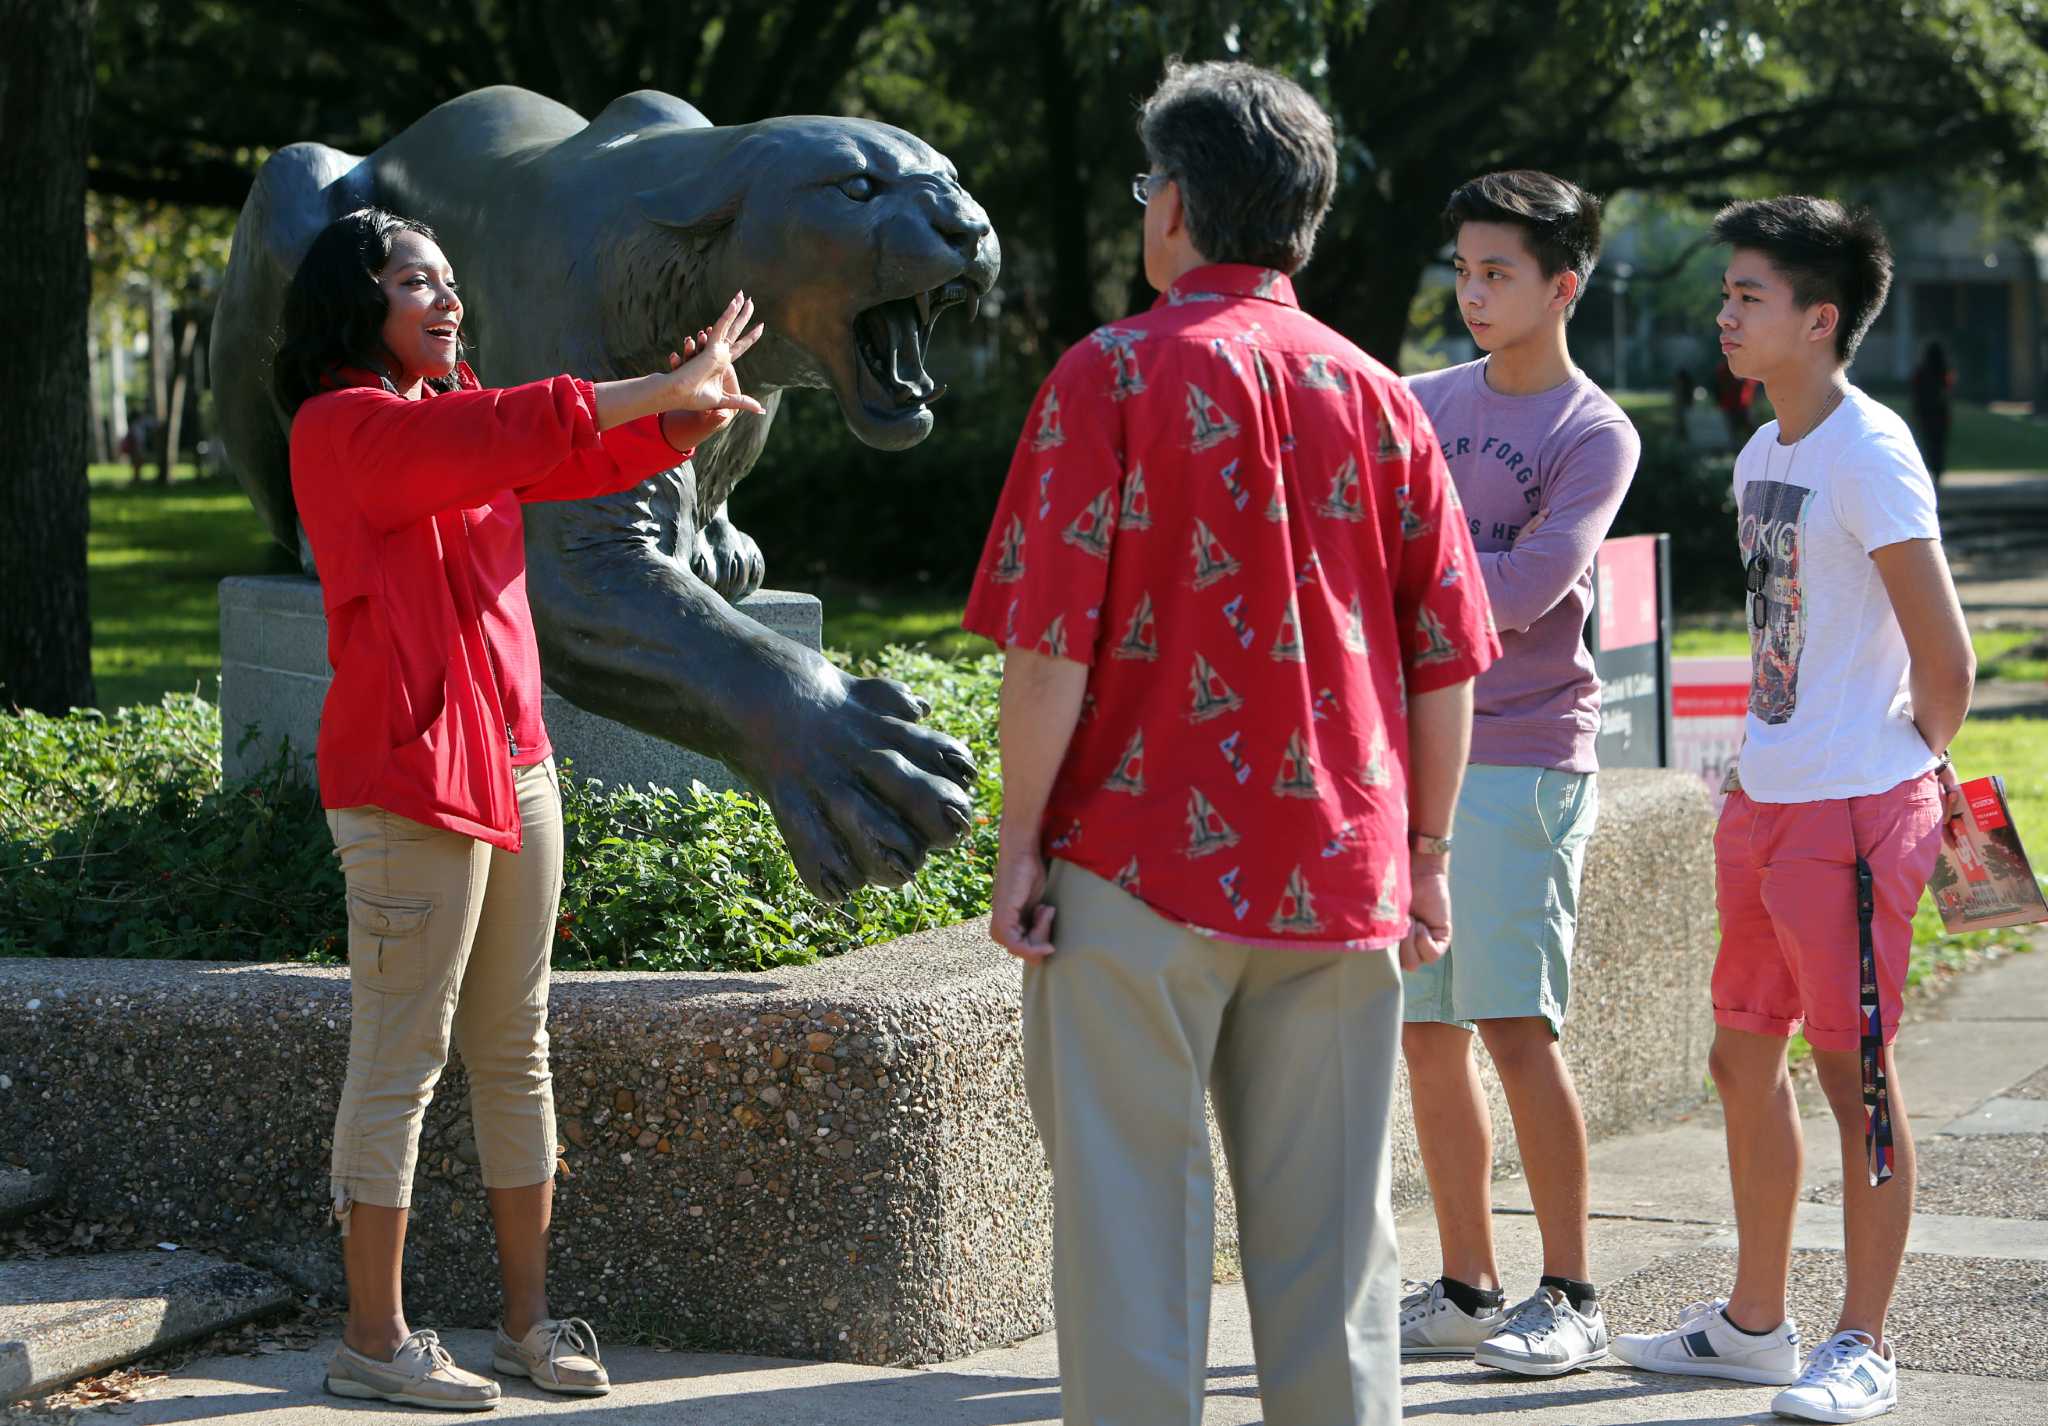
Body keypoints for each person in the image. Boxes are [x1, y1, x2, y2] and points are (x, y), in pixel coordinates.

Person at [963, 61, 1498, 1426]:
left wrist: (1020, 840)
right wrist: (1428, 853)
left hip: (1135, 868)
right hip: (1342, 870)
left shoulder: (1109, 377)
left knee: (1131, 1242)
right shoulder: (1385, 399)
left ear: (1178, 208)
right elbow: (1445, 666)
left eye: (1152, 184)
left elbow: (1048, 647)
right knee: (1338, 1255)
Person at [277, 206, 764, 1412]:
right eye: (411, 283)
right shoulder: (343, 428)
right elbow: (507, 430)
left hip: (515, 762)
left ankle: (527, 1325)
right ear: (356, 305)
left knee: (515, 1049)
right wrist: (655, 380)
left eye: (448, 281)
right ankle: (373, 1339)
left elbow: (551, 456)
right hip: (408, 781)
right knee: (400, 1059)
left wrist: (675, 419)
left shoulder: (455, 414)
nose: (444, 300)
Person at [1613, 197, 1973, 1424]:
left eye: (1746, 296)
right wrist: (1775, 771)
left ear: (1819, 321)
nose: (1722, 313)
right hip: (1761, 806)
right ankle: (1752, 1326)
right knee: (1736, 1056)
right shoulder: (1764, 451)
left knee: (1852, 1075)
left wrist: (1893, 787)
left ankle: (1861, 1341)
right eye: (1724, 294)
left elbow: (1947, 663)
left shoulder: (1867, 453)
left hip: (1852, 813)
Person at [1397, 170, 1640, 1375]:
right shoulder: (1417, 399)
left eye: (1498, 272)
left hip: (1525, 758)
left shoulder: (1593, 430)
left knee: (1512, 1026)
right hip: (1413, 760)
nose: (1472, 291)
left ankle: (1573, 1291)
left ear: (1565, 284)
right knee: (1425, 1037)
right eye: (1463, 268)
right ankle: (1465, 1286)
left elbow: (1521, 593)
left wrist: (1381, 594)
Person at [1910, 340, 1955, 484]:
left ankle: (1930, 470)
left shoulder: (1921, 372)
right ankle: (1938, 471)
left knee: (1927, 443)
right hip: (1940, 413)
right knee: (1939, 444)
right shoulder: (1944, 371)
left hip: (1925, 413)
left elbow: (1916, 394)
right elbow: (1948, 393)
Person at [1716, 352, 1759, 447]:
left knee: (1751, 430)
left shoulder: (1746, 367)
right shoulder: (1723, 368)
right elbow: (1721, 385)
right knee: (1733, 432)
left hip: (1743, 404)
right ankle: (1736, 451)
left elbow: (1751, 383)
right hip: (1730, 405)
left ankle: (1757, 447)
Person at [1672, 365, 1697, 439]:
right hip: (1685, 405)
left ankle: (1682, 436)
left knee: (1683, 421)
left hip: (1684, 406)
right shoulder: (1688, 386)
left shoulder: (1682, 386)